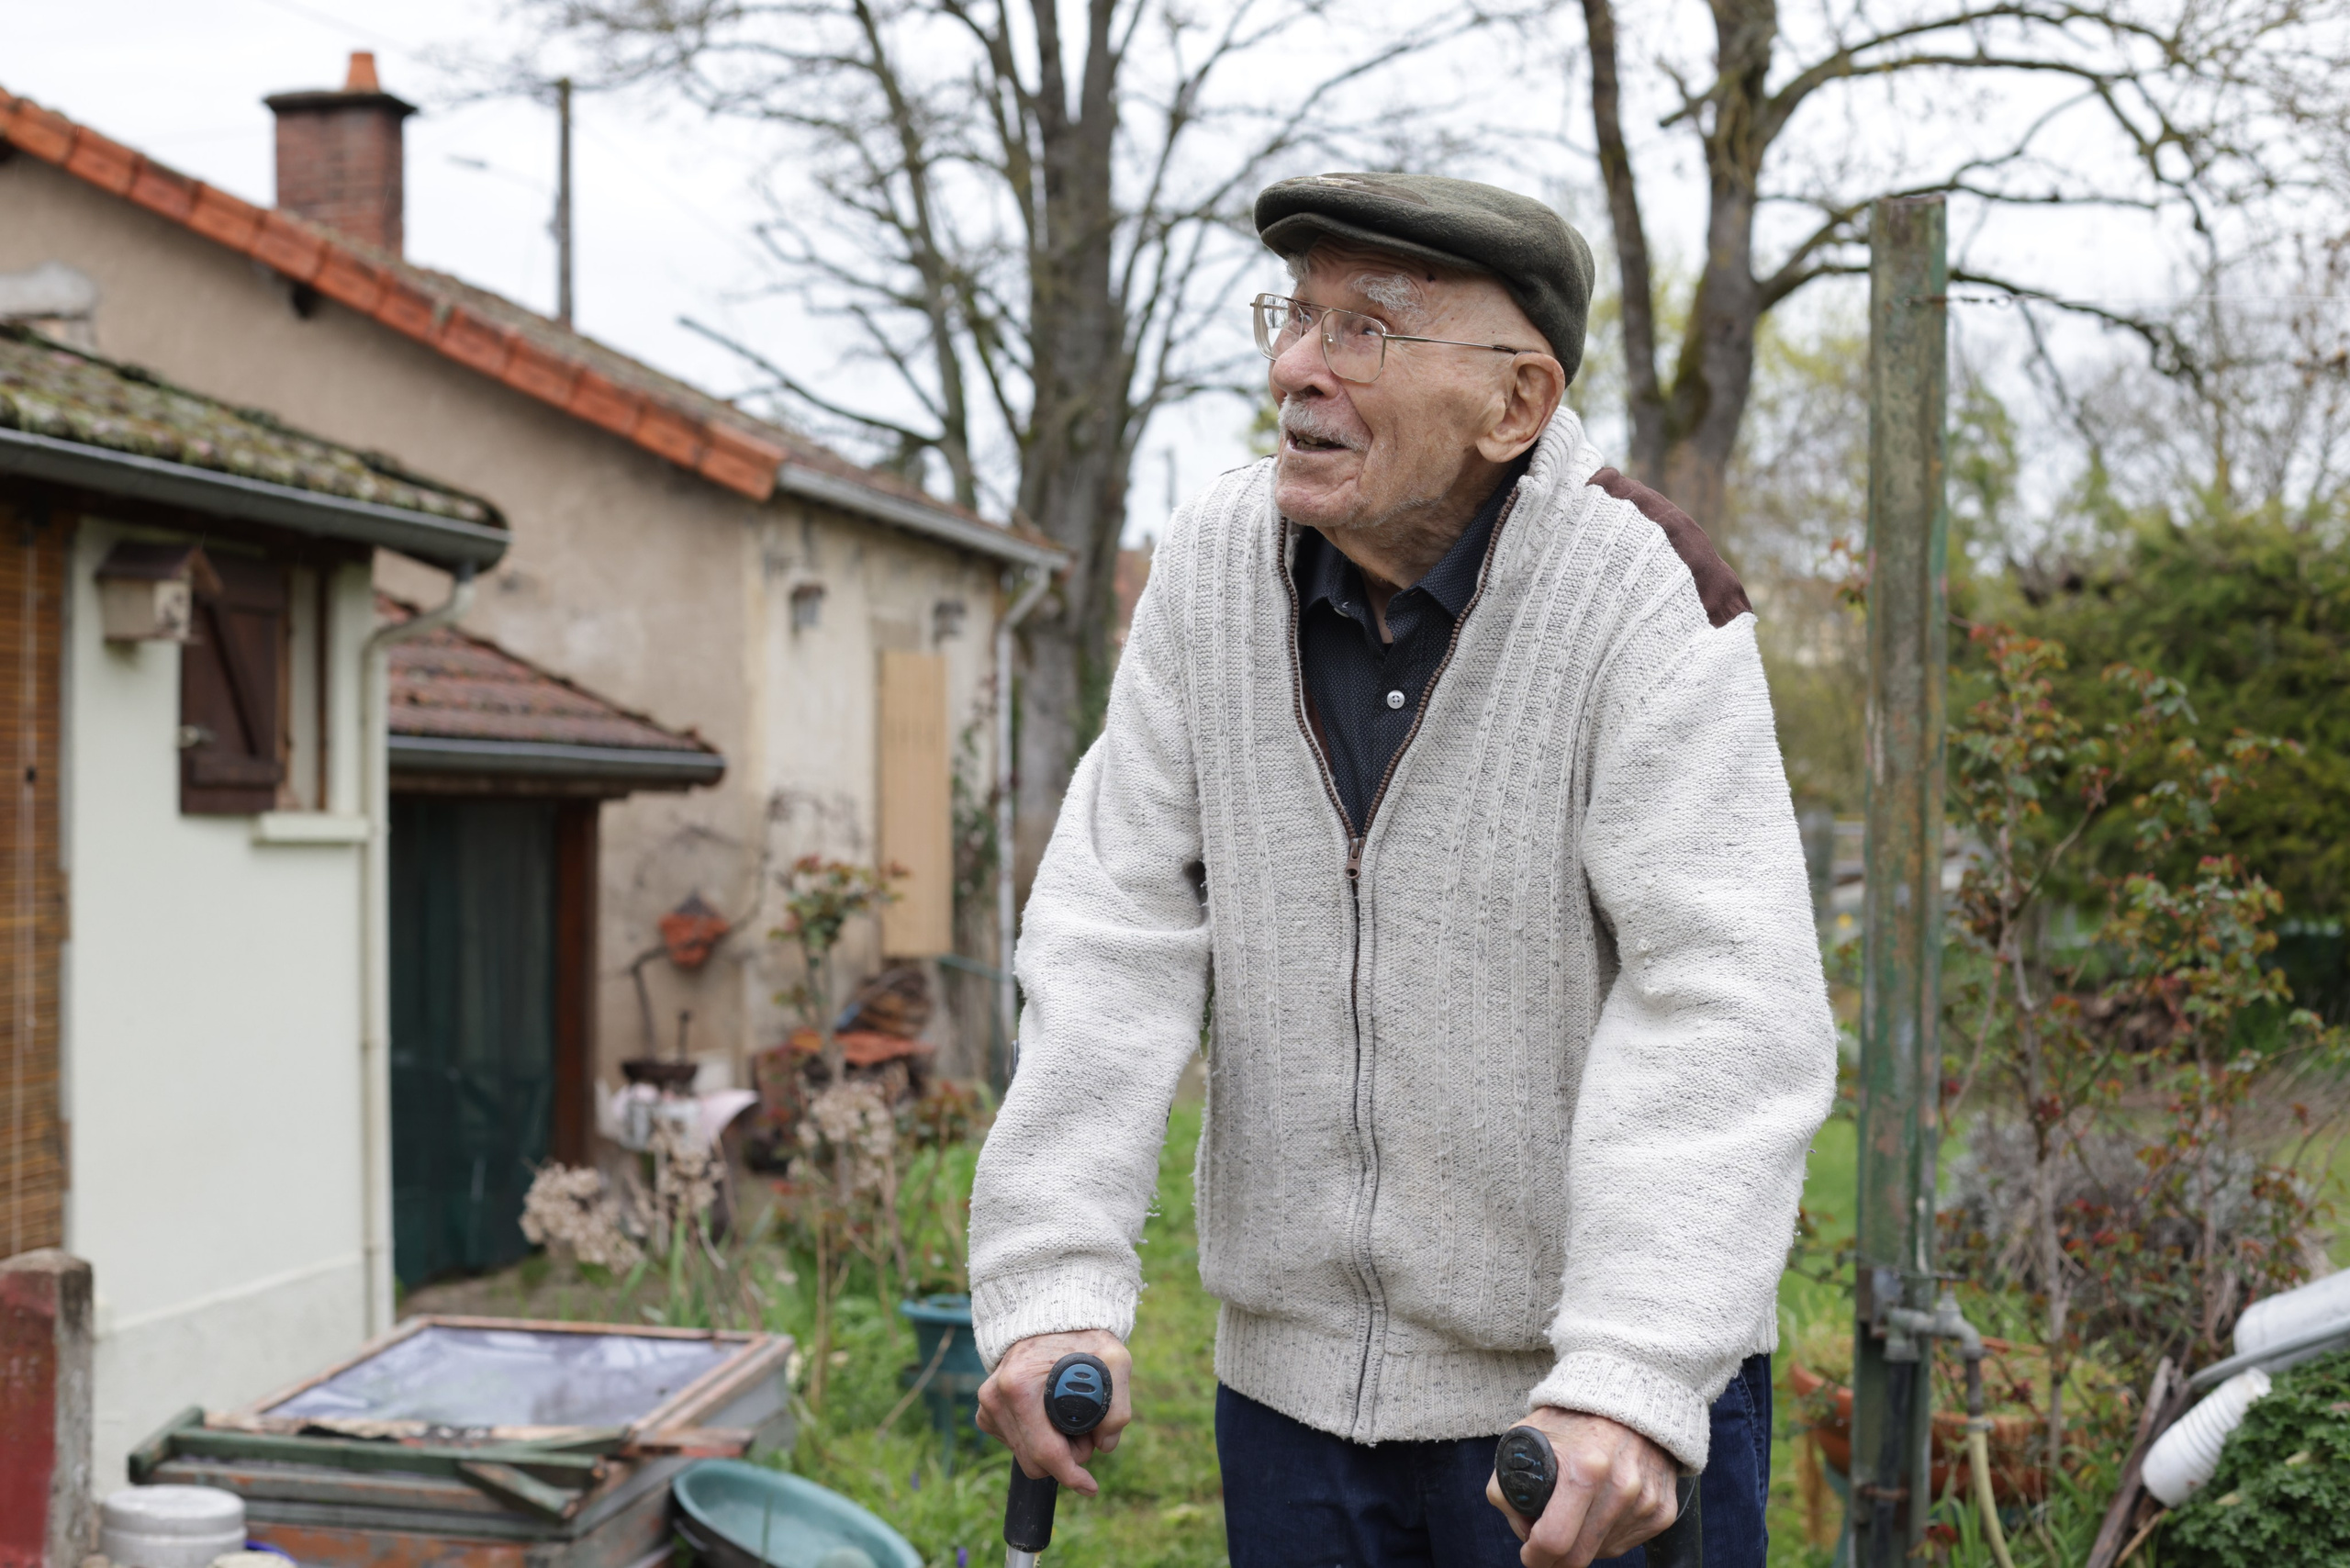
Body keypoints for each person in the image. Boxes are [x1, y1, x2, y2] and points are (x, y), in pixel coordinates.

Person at [967, 172, 1837, 1568]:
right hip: (1294, 1405)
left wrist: (1630, 1372)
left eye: (1367, 330)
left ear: (1515, 404)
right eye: (1297, 316)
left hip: (1580, 1425)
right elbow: (1114, 922)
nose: (1297, 367)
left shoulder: (1644, 596)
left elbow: (1724, 1009)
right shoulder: (1207, 569)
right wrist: (1055, 1274)